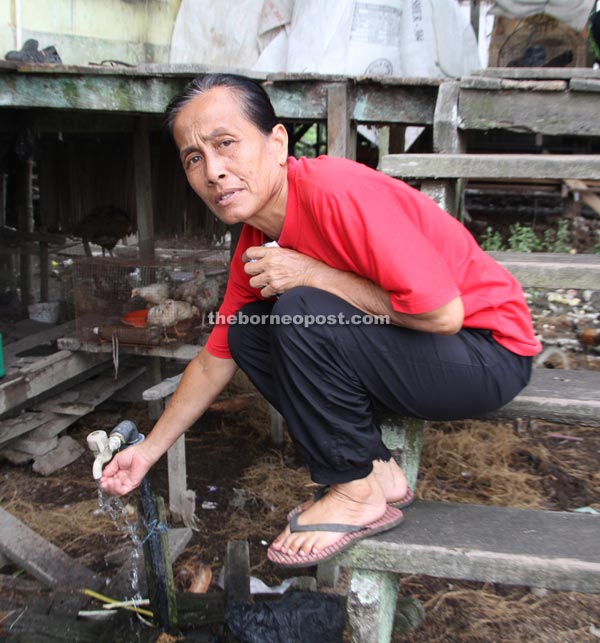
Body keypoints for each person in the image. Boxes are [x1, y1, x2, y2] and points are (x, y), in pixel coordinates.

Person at [100, 73, 542, 568]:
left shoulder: (335, 192)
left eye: (227, 144)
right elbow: (213, 361)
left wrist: (314, 274)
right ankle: (376, 470)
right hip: (422, 350)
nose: (214, 172)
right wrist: (148, 452)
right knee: (250, 326)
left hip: (487, 351)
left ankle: (355, 491)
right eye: (195, 158)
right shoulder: (254, 240)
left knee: (300, 308)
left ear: (277, 142)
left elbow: (443, 316)